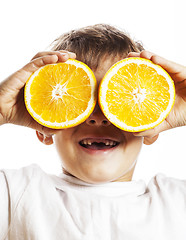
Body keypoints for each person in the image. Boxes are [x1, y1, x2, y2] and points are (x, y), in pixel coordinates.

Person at [0, 24, 186, 240]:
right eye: (78, 100)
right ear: (42, 127)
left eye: (117, 101)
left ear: (152, 126)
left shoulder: (176, 201)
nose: (99, 116)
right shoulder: (16, 194)